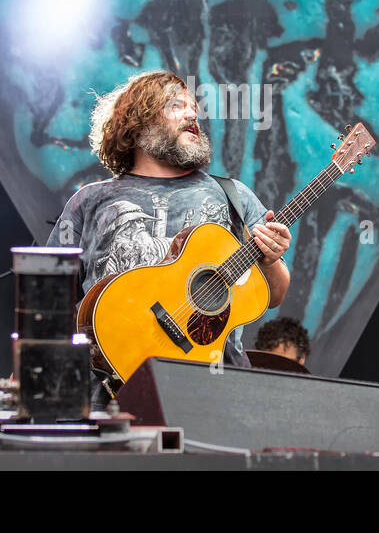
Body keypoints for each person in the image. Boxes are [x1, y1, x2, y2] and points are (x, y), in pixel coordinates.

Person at [47, 70, 291, 400]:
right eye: (176, 105)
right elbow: (48, 302)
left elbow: (274, 295)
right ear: (137, 120)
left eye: (194, 108)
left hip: (215, 393)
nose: (192, 115)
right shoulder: (88, 201)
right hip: (106, 398)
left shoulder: (233, 195)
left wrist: (272, 259)